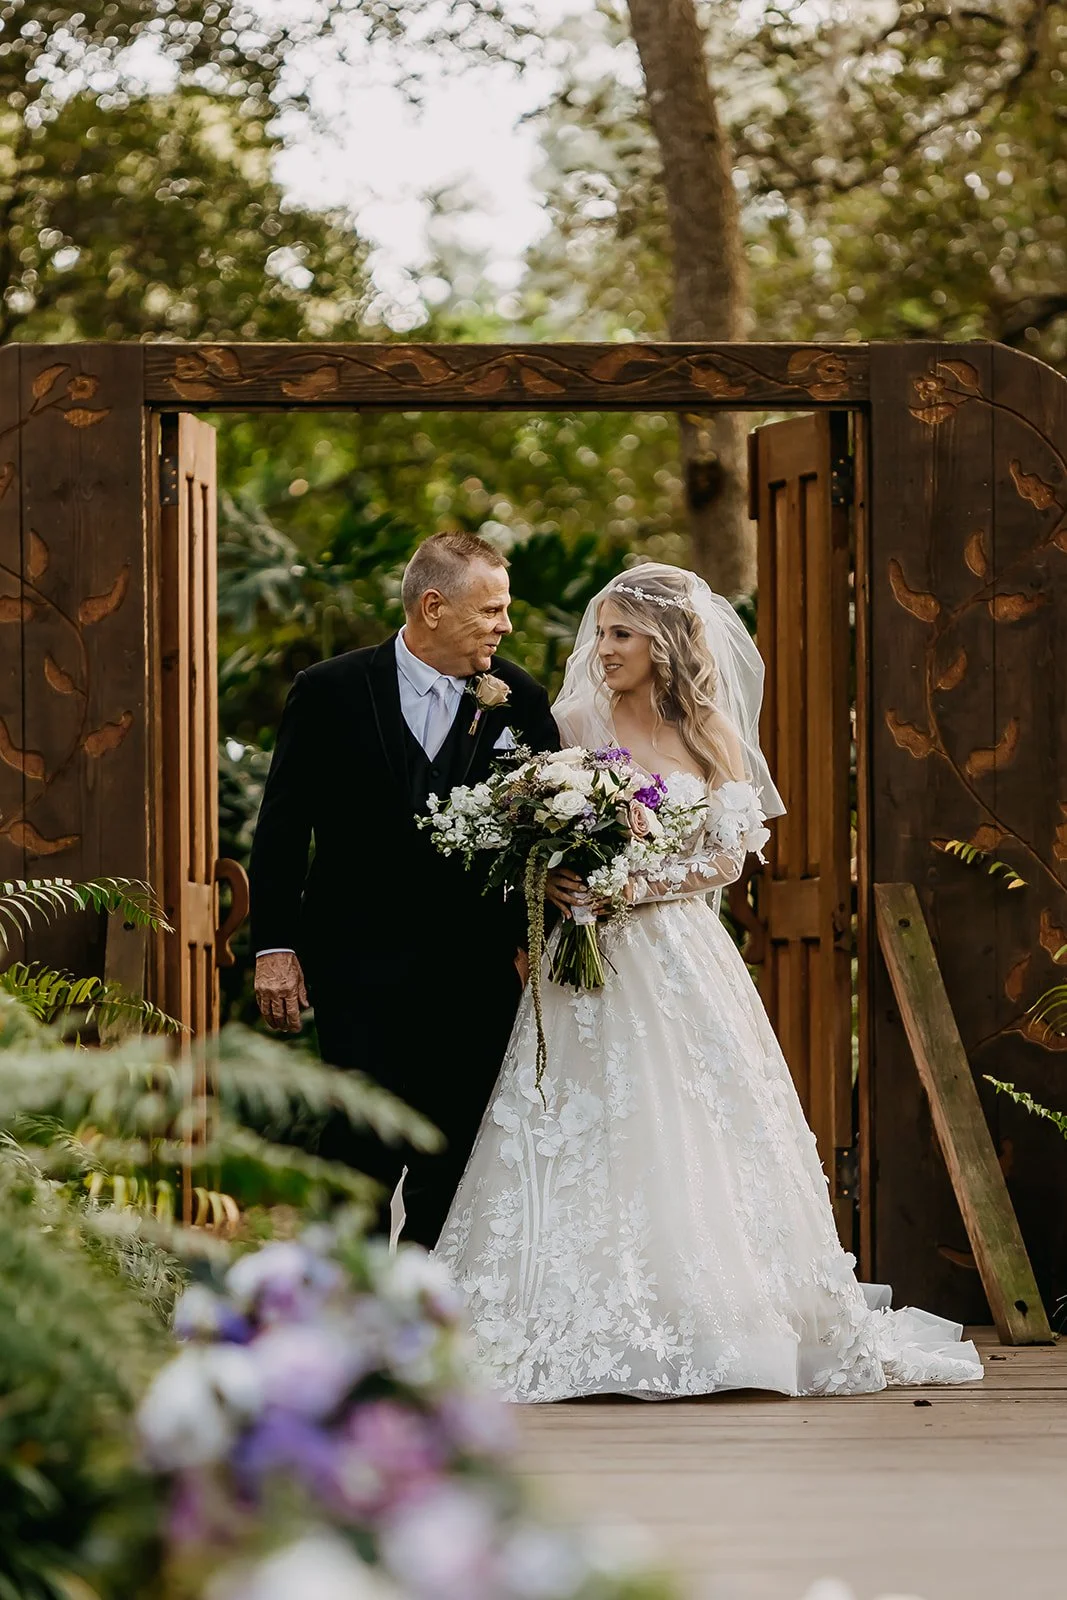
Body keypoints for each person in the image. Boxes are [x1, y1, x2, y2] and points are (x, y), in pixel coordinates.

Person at [436, 562, 984, 1401]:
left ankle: (706, 1315)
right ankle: (563, 1311)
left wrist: (635, 884)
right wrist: (554, 876)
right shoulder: (572, 719)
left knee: (689, 1117)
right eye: (603, 632)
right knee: (574, 1123)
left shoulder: (710, 735)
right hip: (583, 954)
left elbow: (727, 857)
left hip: (679, 951)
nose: (602, 647)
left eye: (622, 634)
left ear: (663, 644)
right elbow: (536, 830)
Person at [248, 531, 560, 1247]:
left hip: (476, 970)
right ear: (431, 606)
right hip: (357, 964)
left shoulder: (517, 697)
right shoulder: (328, 691)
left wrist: (523, 945)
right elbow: (283, 829)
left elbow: (546, 831)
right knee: (360, 1145)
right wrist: (275, 947)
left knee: (451, 1158)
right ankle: (344, 1319)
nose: (504, 626)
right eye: (491, 610)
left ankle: (425, 1323)